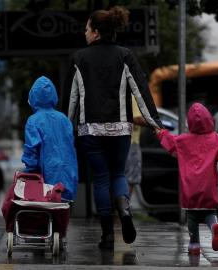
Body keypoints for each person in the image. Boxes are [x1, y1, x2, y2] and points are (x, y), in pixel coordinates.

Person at [61, 6, 163, 249]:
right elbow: (140, 90)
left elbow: (71, 100)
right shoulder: (125, 55)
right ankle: (125, 210)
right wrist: (154, 123)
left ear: (96, 32)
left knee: (101, 179)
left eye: (87, 29)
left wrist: (67, 129)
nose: (84, 33)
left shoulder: (78, 59)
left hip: (91, 131)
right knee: (119, 174)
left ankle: (107, 234)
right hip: (121, 129)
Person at [155, 102, 218, 255]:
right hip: (208, 186)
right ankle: (214, 225)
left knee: (192, 217)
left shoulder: (183, 140)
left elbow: (170, 143)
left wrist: (161, 132)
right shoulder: (215, 139)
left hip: (189, 187)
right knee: (210, 212)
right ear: (209, 119)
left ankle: (194, 245)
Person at [21, 76, 78, 201]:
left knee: (45, 216)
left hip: (46, 181)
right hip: (68, 177)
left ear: (33, 96)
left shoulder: (33, 121)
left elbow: (32, 151)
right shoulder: (64, 119)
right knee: (62, 216)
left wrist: (29, 173)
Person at [125, 97, 145, 197]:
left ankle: (116, 211)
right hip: (131, 141)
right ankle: (123, 210)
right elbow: (136, 118)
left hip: (118, 140)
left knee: (117, 178)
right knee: (130, 179)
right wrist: (153, 124)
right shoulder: (132, 96)